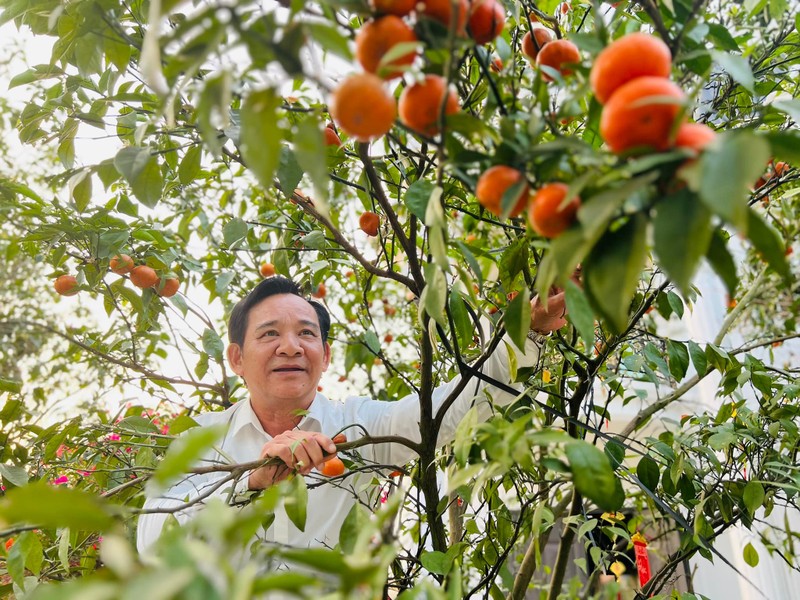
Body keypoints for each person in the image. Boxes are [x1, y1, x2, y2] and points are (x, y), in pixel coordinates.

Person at [136, 276, 568, 553]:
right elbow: (154, 540)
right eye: (270, 334)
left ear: (324, 356)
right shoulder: (201, 438)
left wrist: (524, 331)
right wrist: (250, 482)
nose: (291, 347)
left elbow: (448, 413)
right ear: (235, 358)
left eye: (306, 334)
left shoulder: (357, 425)